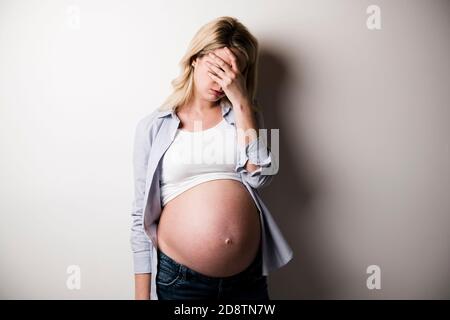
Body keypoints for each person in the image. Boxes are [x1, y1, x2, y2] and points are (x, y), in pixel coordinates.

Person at [131, 16, 293, 300]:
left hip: (247, 279)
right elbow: (139, 216)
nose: (222, 81)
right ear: (195, 59)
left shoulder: (250, 117)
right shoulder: (152, 126)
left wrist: (242, 103)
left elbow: (263, 175)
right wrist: (141, 296)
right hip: (181, 281)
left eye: (233, 73)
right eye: (216, 67)